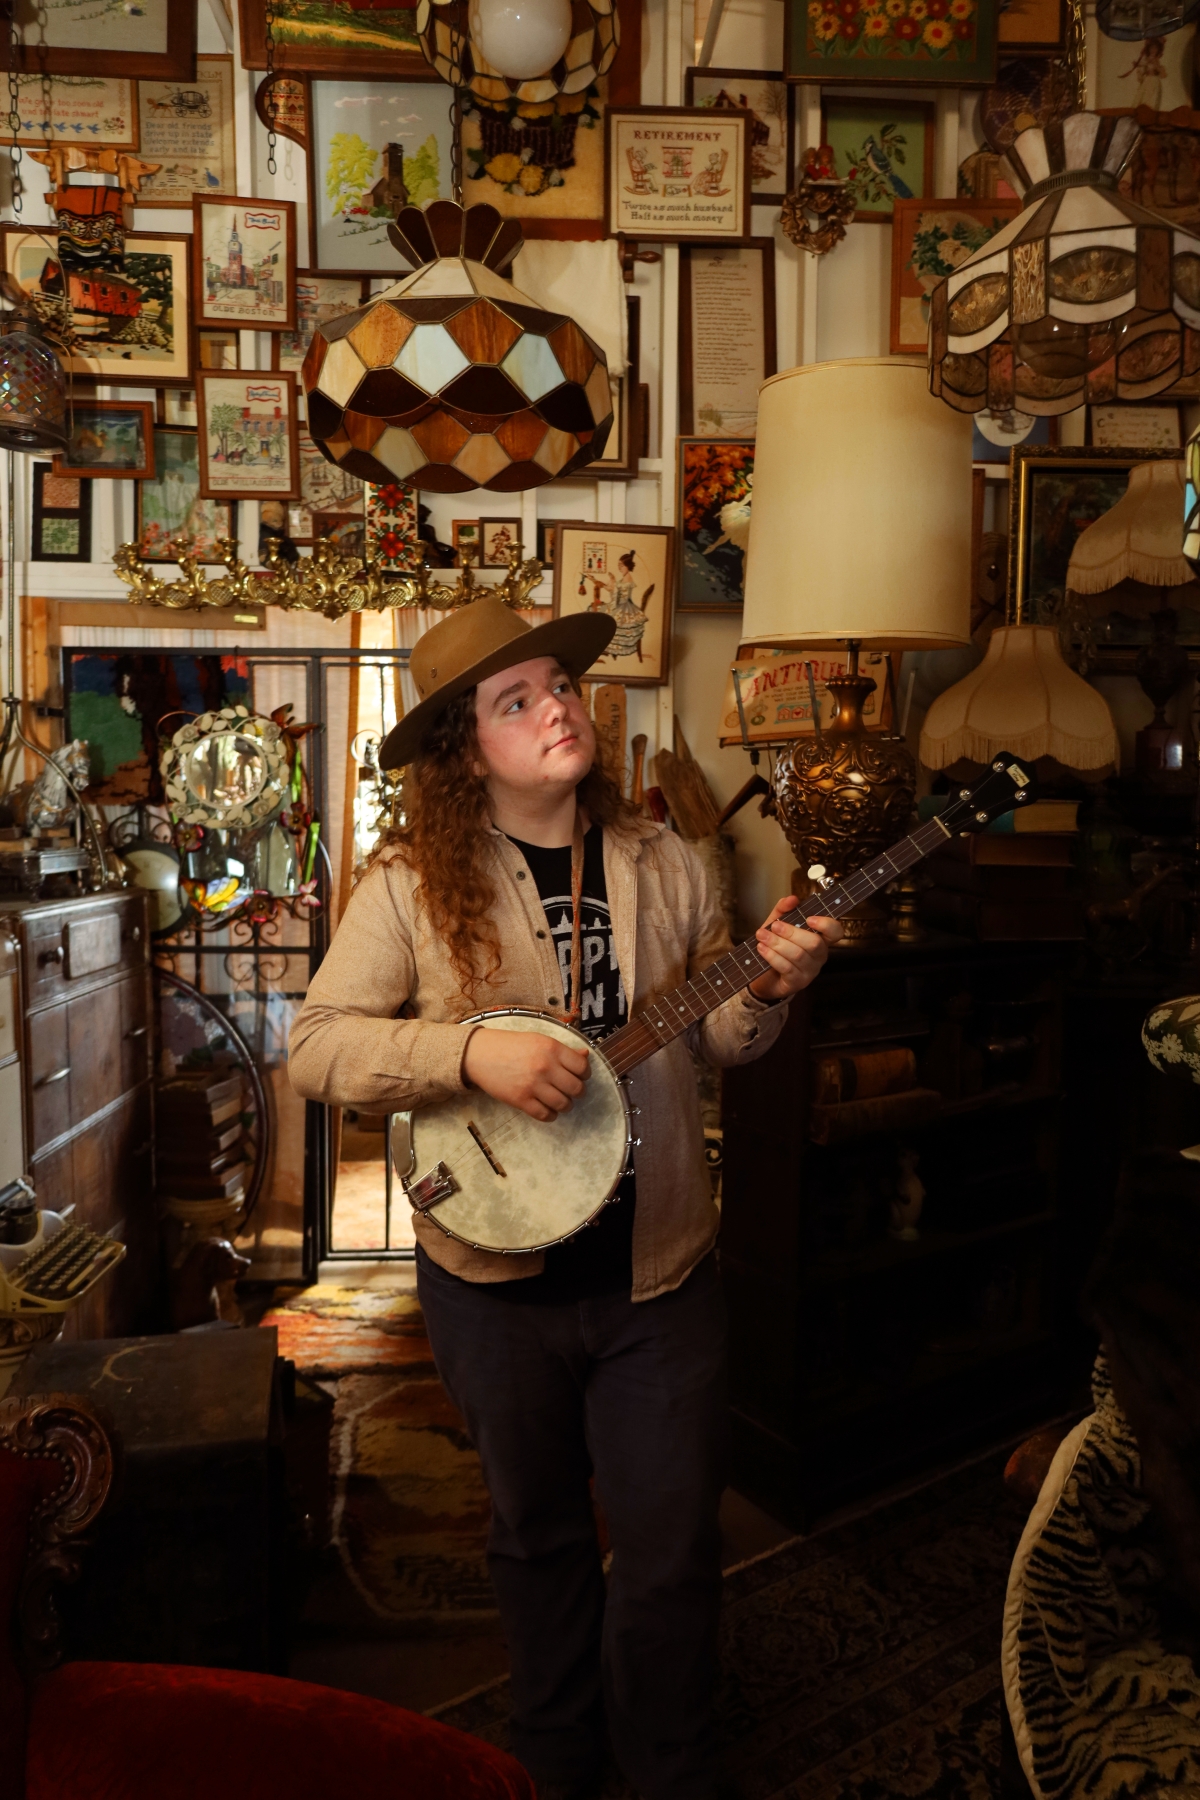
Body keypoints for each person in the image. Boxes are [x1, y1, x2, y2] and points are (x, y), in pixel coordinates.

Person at [289, 595, 842, 1800]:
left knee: (671, 1552)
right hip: (492, 1285)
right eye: (516, 700)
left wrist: (768, 987)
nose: (557, 709)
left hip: (660, 1270)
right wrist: (466, 1052)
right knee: (536, 1539)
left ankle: (670, 1769)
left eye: (558, 685)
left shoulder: (666, 859)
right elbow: (316, 1047)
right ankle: (551, 1765)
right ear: (463, 750)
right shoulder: (407, 884)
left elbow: (720, 1037)